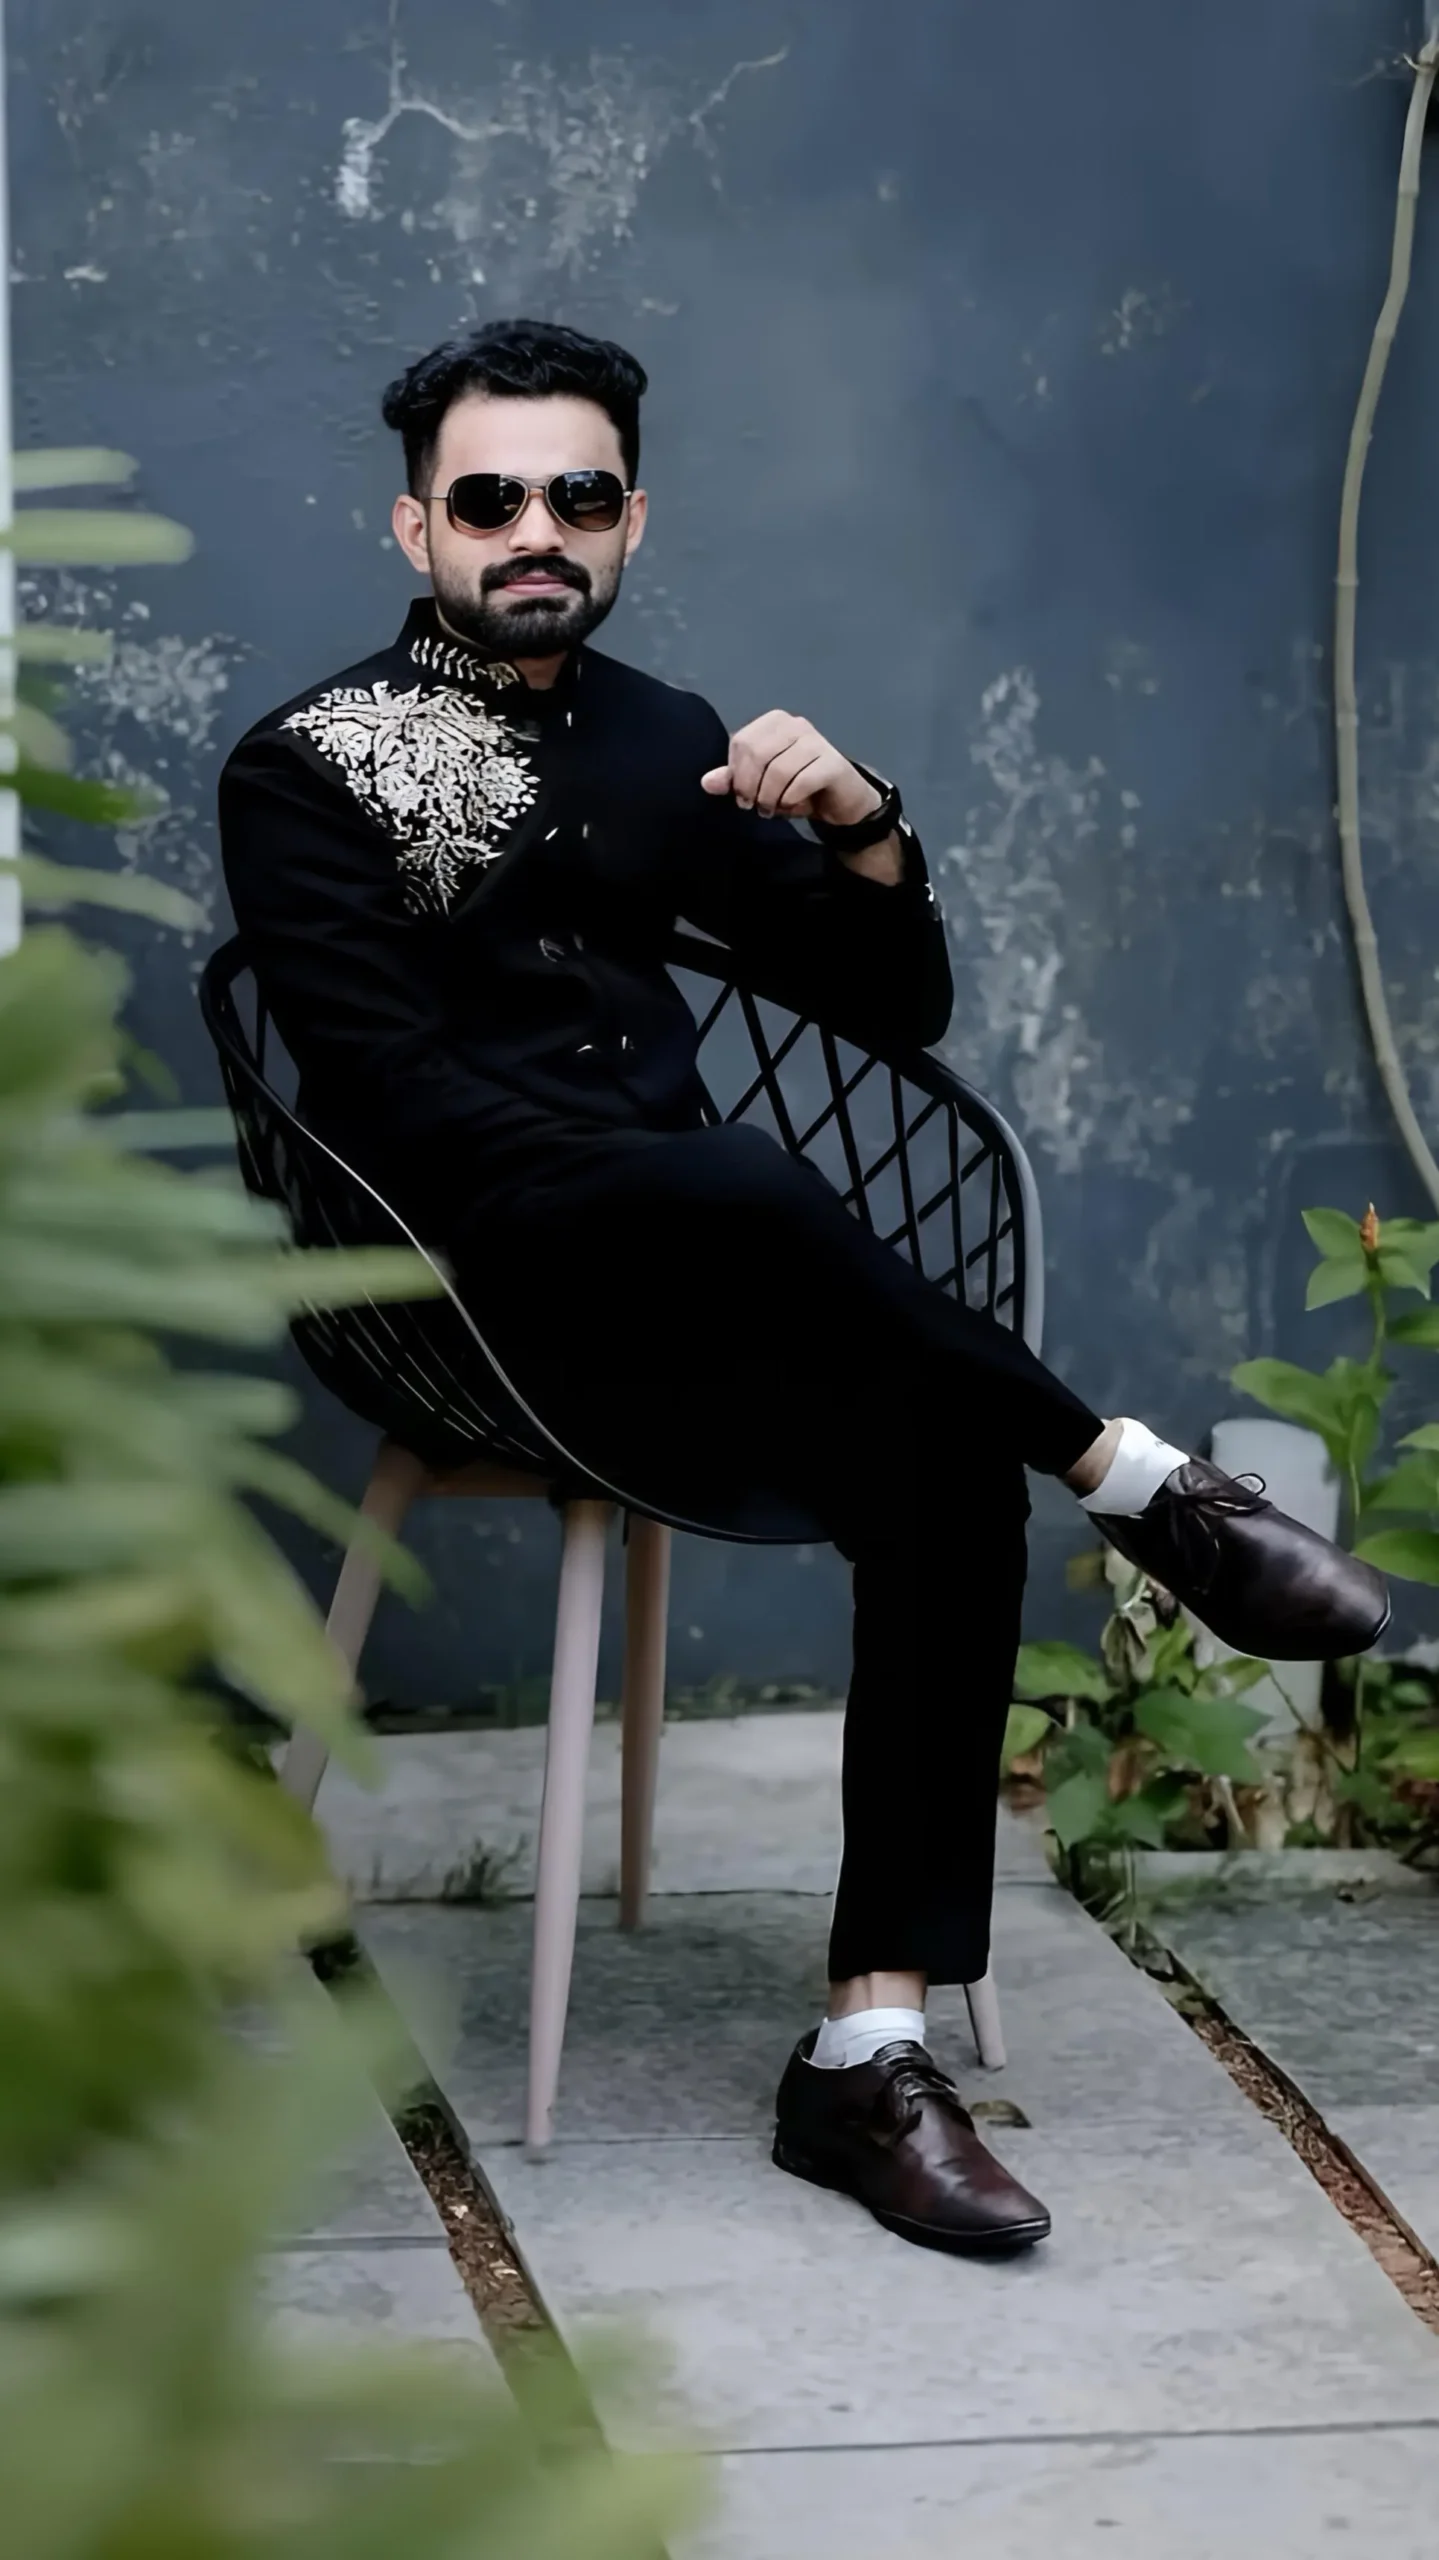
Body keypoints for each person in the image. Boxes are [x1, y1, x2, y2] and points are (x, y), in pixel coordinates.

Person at [218, 318, 1388, 2258]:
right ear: (415, 525)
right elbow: (392, 1105)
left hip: (718, 1290)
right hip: (477, 1298)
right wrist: (635, 1183)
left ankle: (866, 2048)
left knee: (937, 1460)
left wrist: (856, 818)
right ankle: (1131, 1473)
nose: (534, 528)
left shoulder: (662, 734)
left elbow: (891, 1006)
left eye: (576, 494)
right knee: (741, 1176)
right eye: (488, 498)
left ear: (632, 518)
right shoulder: (306, 765)